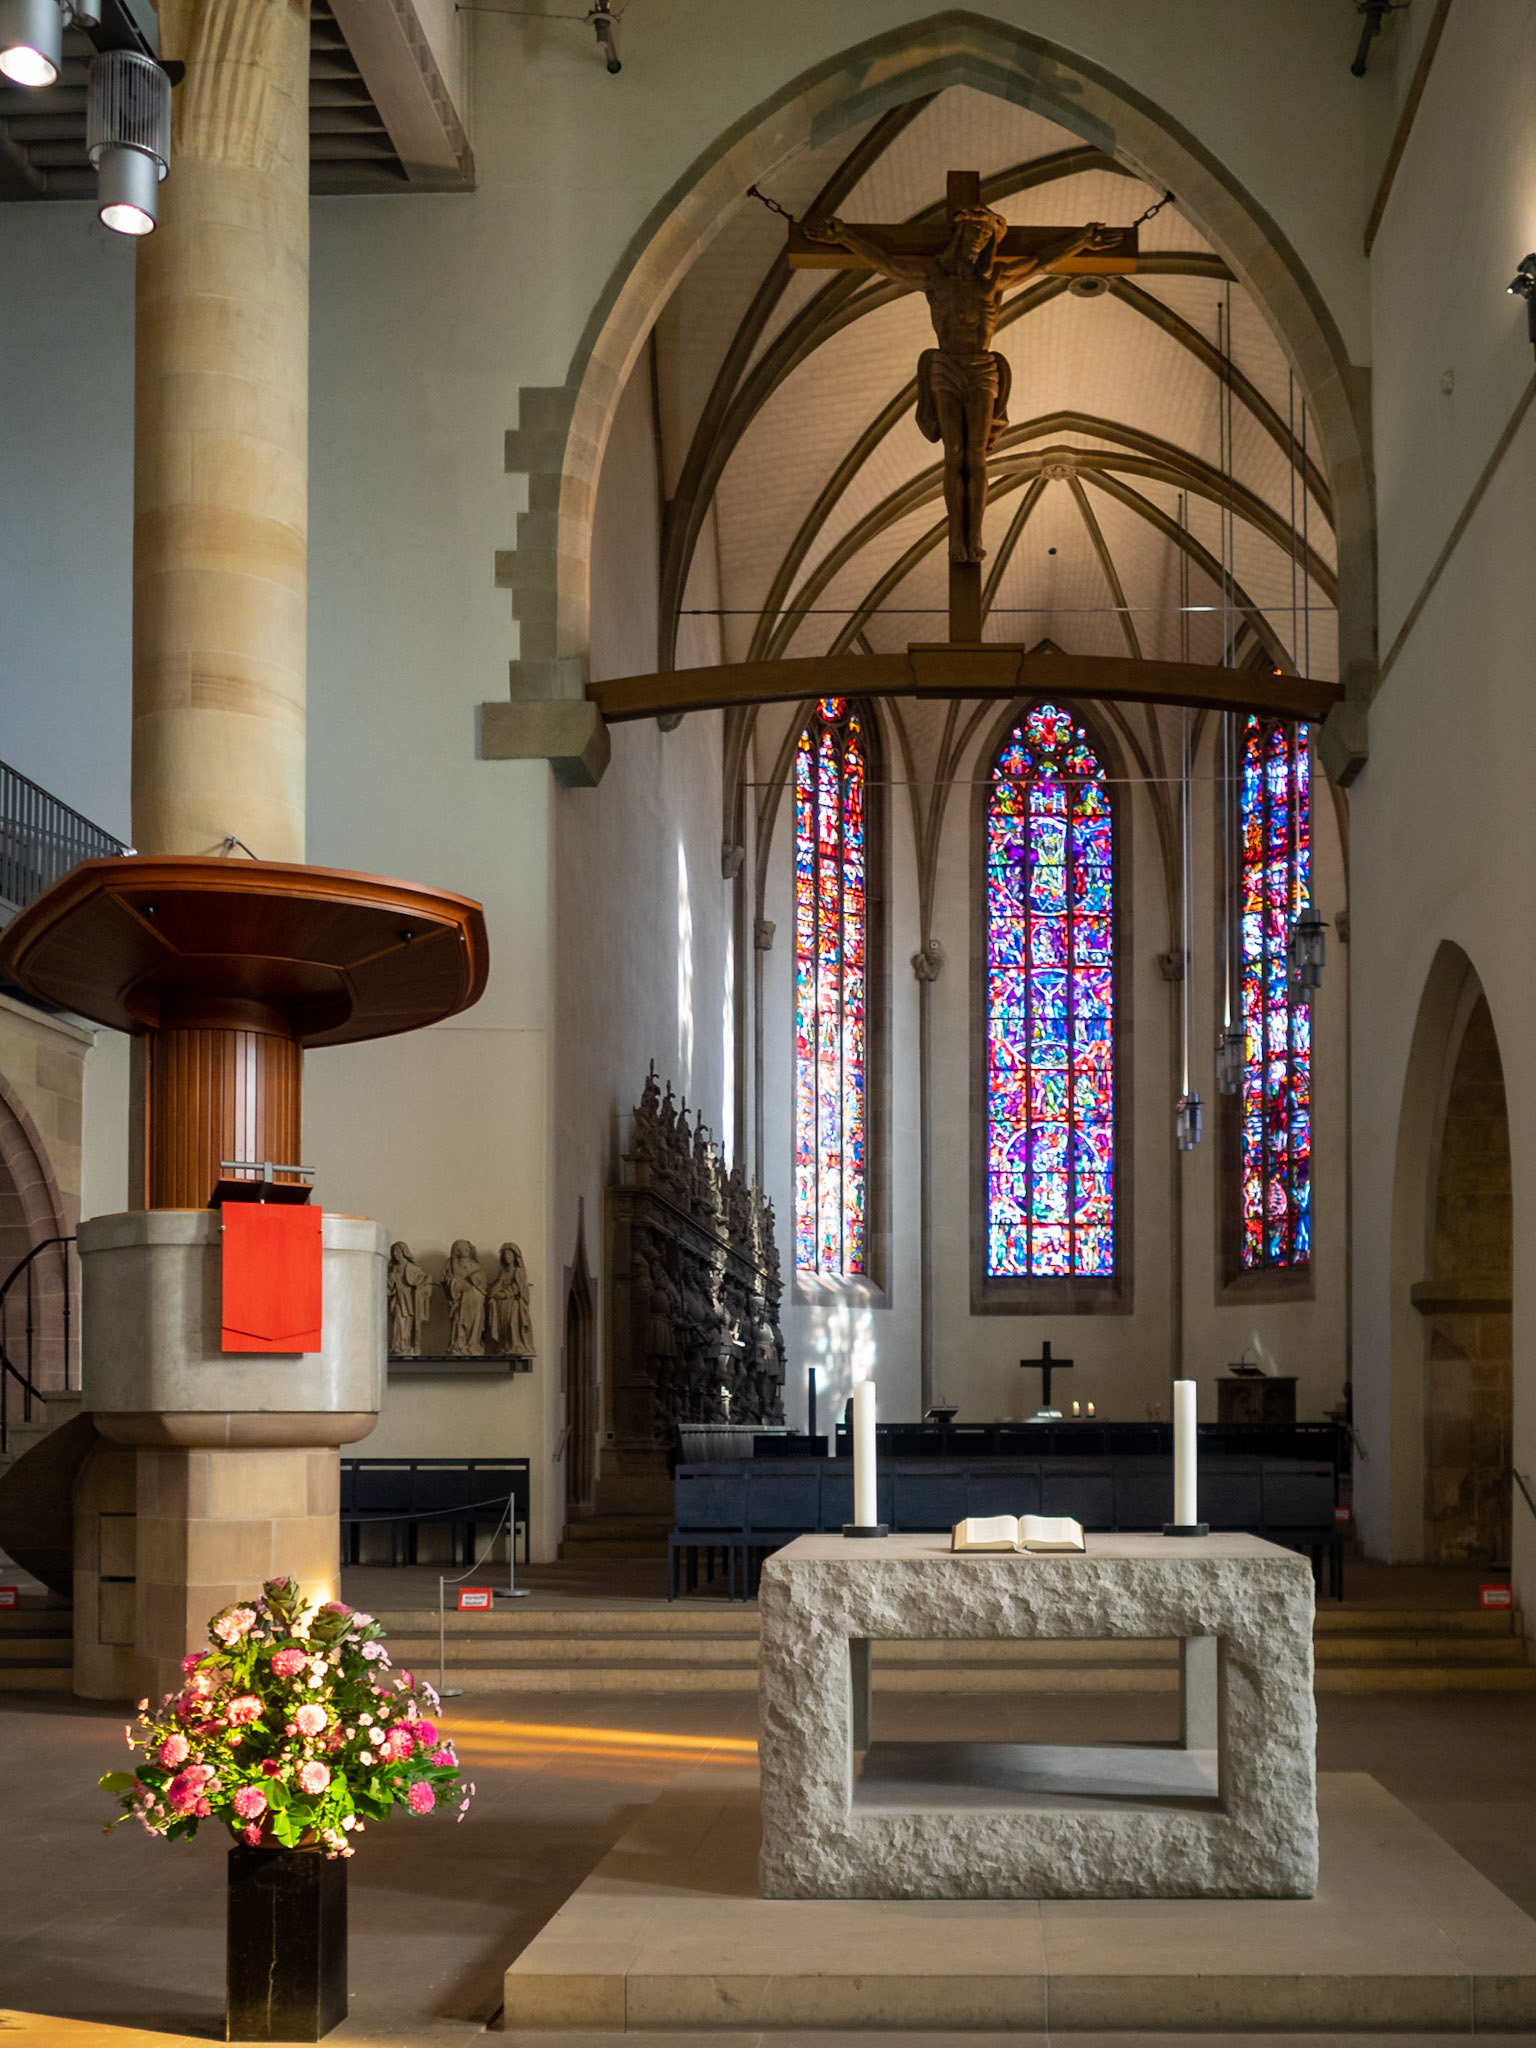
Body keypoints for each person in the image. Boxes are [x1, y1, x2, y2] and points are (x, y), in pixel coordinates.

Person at [802, 205, 1122, 562]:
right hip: (946, 366)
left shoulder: (994, 278)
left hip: (982, 368)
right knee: (954, 453)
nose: (977, 241)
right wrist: (844, 236)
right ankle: (956, 536)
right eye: (973, 233)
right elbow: (887, 264)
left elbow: (1041, 262)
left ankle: (975, 535)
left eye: (984, 235)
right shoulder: (935, 277)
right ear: (958, 235)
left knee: (977, 456)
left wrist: (1081, 240)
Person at [487, 1241, 535, 1356]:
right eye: (505, 1255)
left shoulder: (519, 1271)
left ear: (515, 1256)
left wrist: (504, 1293)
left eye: (509, 1254)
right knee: (503, 1325)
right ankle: (506, 1345)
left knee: (512, 1323)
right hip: (502, 1304)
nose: (507, 1257)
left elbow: (518, 1287)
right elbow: (498, 1284)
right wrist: (493, 1293)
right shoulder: (503, 1271)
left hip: (514, 1302)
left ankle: (516, 1345)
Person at [387, 1241, 433, 1357]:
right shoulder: (393, 1268)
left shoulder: (413, 1268)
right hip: (398, 1300)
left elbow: (424, 1281)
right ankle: (398, 1346)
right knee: (398, 1321)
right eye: (393, 1252)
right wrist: (391, 1279)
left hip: (410, 1301)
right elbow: (388, 1287)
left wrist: (421, 1288)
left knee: (407, 1323)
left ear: (404, 1252)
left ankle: (406, 1346)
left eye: (397, 1251)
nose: (395, 1254)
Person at [442, 1239, 487, 1356]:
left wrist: (476, 1280)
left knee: (475, 1323)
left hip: (476, 1300)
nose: (467, 1249)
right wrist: (458, 1285)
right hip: (459, 1300)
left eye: (468, 1247)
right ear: (457, 1250)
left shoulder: (476, 1265)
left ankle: (473, 1344)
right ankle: (459, 1345)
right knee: (459, 1321)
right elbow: (446, 1282)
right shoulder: (451, 1265)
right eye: (463, 1247)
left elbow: (483, 1284)